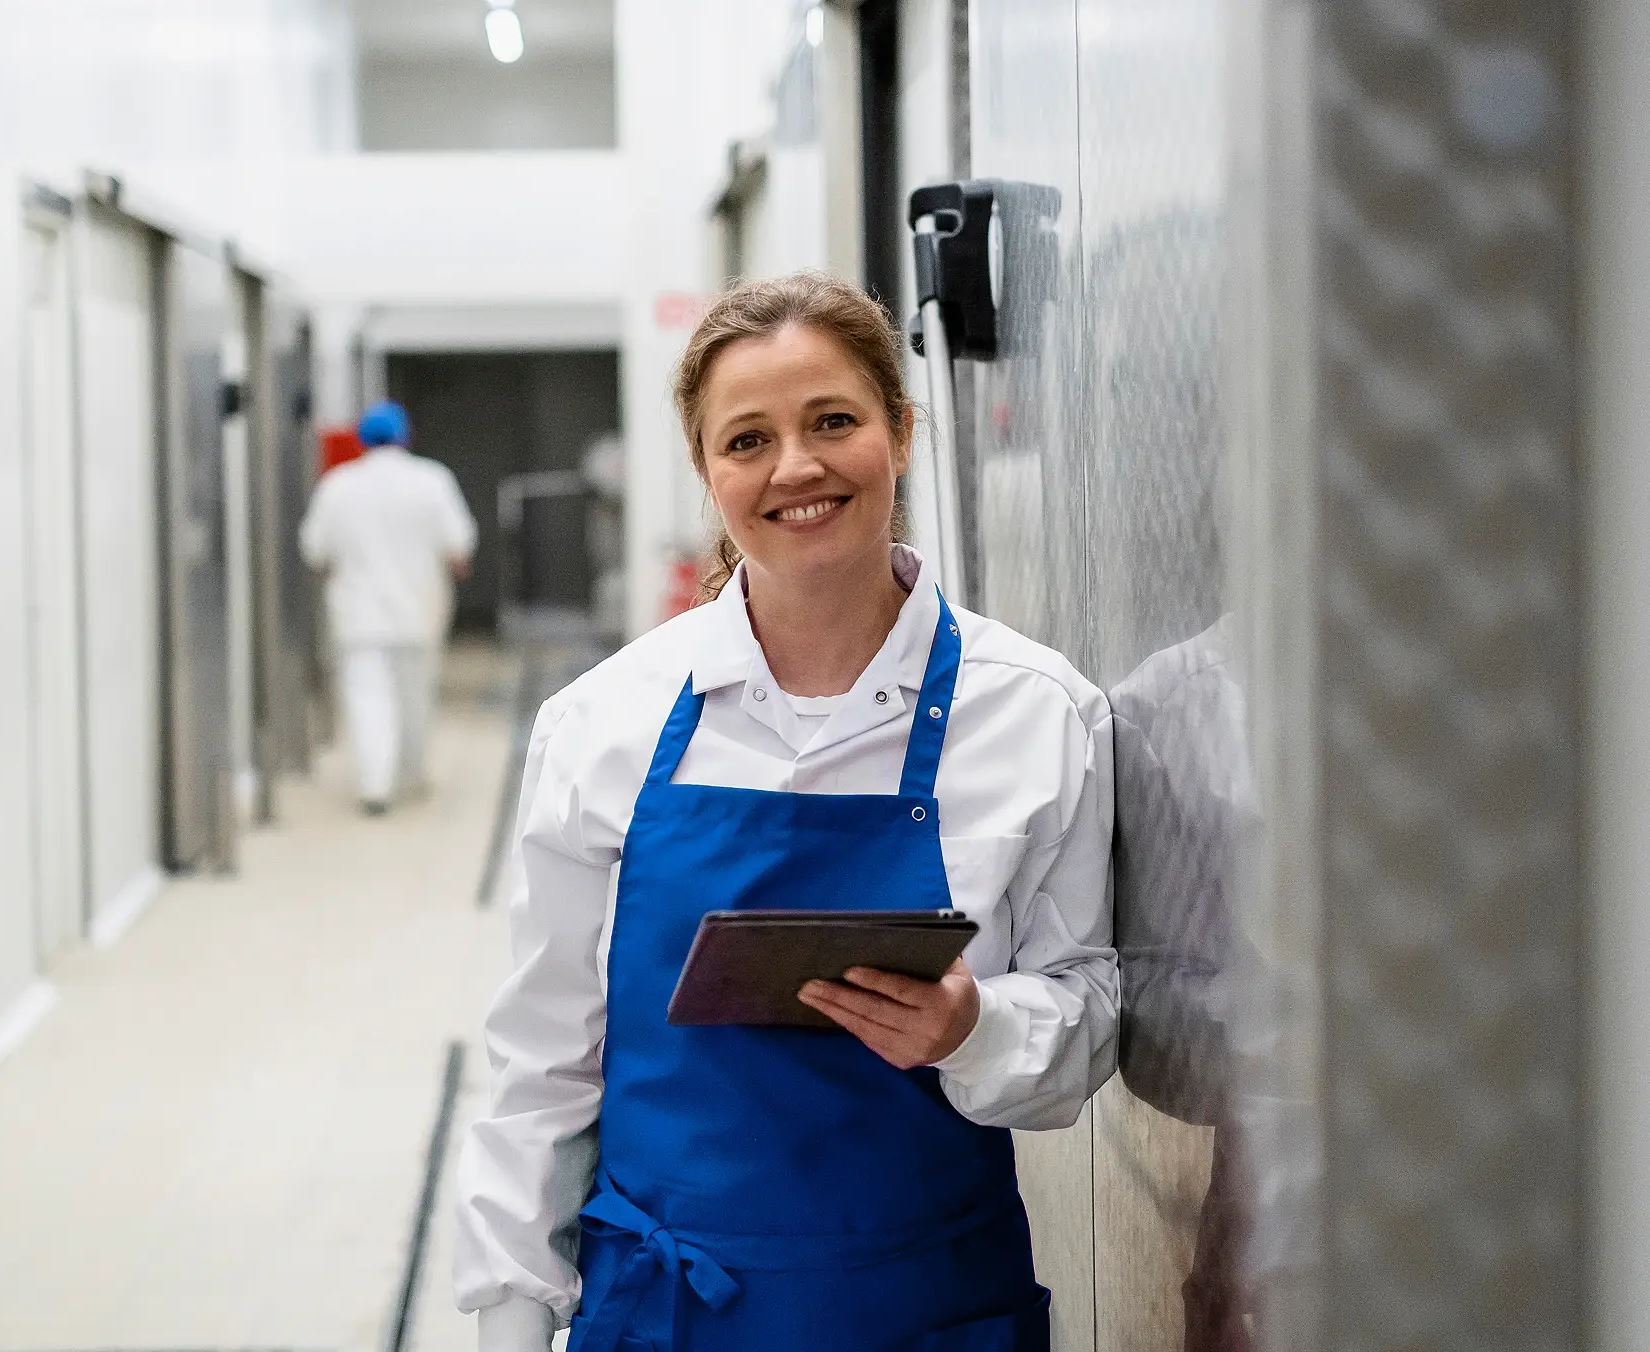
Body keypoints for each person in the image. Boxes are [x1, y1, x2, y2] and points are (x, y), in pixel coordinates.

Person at [453, 273, 1119, 1351]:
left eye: (833, 421)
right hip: (669, 1310)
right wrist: (511, 1318)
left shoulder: (1036, 713)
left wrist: (974, 1028)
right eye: (748, 440)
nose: (795, 467)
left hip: (929, 1311)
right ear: (707, 472)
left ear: (901, 433)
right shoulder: (604, 722)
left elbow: (1088, 1004)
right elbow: (543, 1062)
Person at [299, 399, 476, 814]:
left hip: (359, 615)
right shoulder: (432, 481)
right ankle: (410, 775)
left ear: (362, 439)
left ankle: (375, 787)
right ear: (405, 436)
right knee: (415, 697)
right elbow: (459, 544)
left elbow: (314, 550)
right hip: (419, 610)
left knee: (367, 698)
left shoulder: (338, 485)